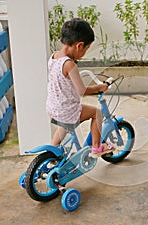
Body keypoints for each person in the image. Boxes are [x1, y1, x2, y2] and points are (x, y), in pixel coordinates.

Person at [46, 18, 115, 157]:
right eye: (86, 49)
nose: (84, 53)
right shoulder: (69, 64)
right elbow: (81, 90)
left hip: (53, 107)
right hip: (67, 110)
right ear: (79, 46)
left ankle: (51, 153)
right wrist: (99, 87)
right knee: (96, 113)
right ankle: (96, 147)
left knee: (63, 126)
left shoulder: (54, 57)